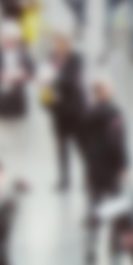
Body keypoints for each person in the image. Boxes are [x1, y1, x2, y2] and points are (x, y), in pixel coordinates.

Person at [82, 79, 129, 265]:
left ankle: (91, 244)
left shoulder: (89, 113)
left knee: (95, 206)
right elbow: (115, 142)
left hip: (93, 168)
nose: (113, 90)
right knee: (117, 204)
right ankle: (115, 243)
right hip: (110, 168)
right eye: (109, 88)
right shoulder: (113, 113)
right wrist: (122, 166)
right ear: (101, 92)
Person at [42, 30, 87, 192]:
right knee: (61, 147)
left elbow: (71, 80)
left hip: (76, 111)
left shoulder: (77, 59)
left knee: (81, 146)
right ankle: (64, 179)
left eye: (63, 43)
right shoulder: (51, 58)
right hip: (59, 111)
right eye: (57, 43)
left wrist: (53, 78)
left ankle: (88, 176)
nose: (59, 46)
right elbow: (45, 78)